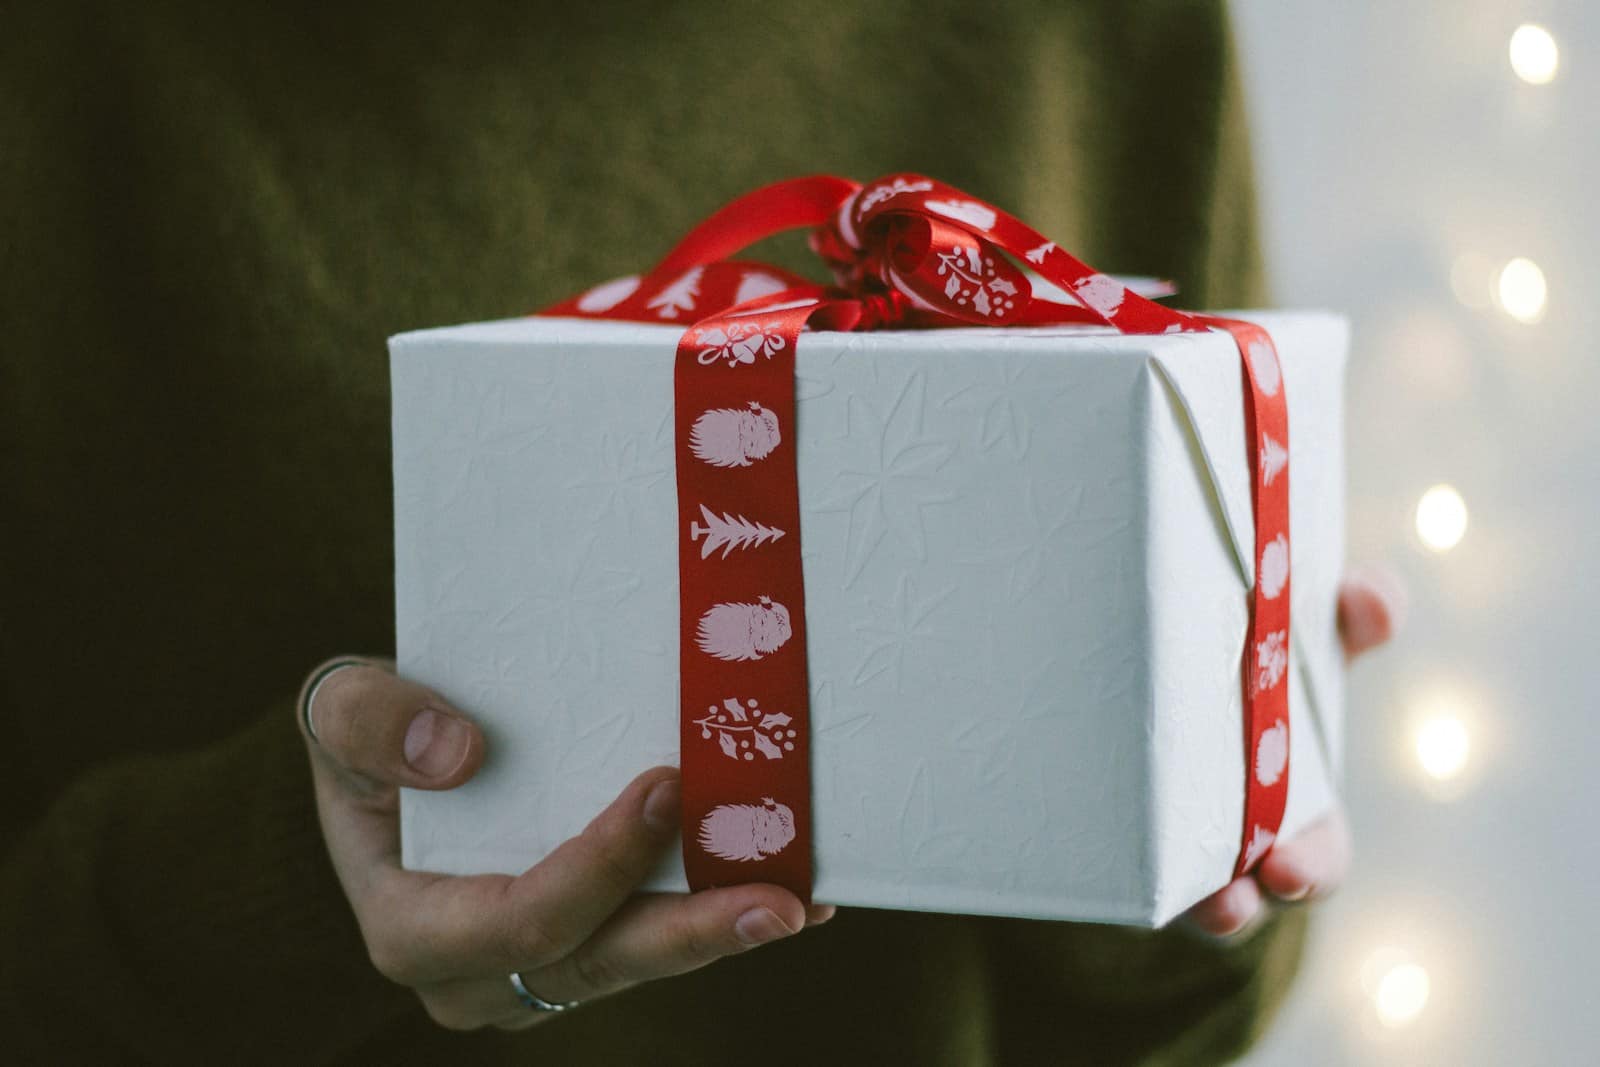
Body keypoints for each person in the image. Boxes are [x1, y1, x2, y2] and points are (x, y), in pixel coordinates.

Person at [1, 1, 1402, 1062]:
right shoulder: (68, 64)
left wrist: (1197, 859)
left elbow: (1185, 1024)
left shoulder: (1105, 26)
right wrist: (290, 888)